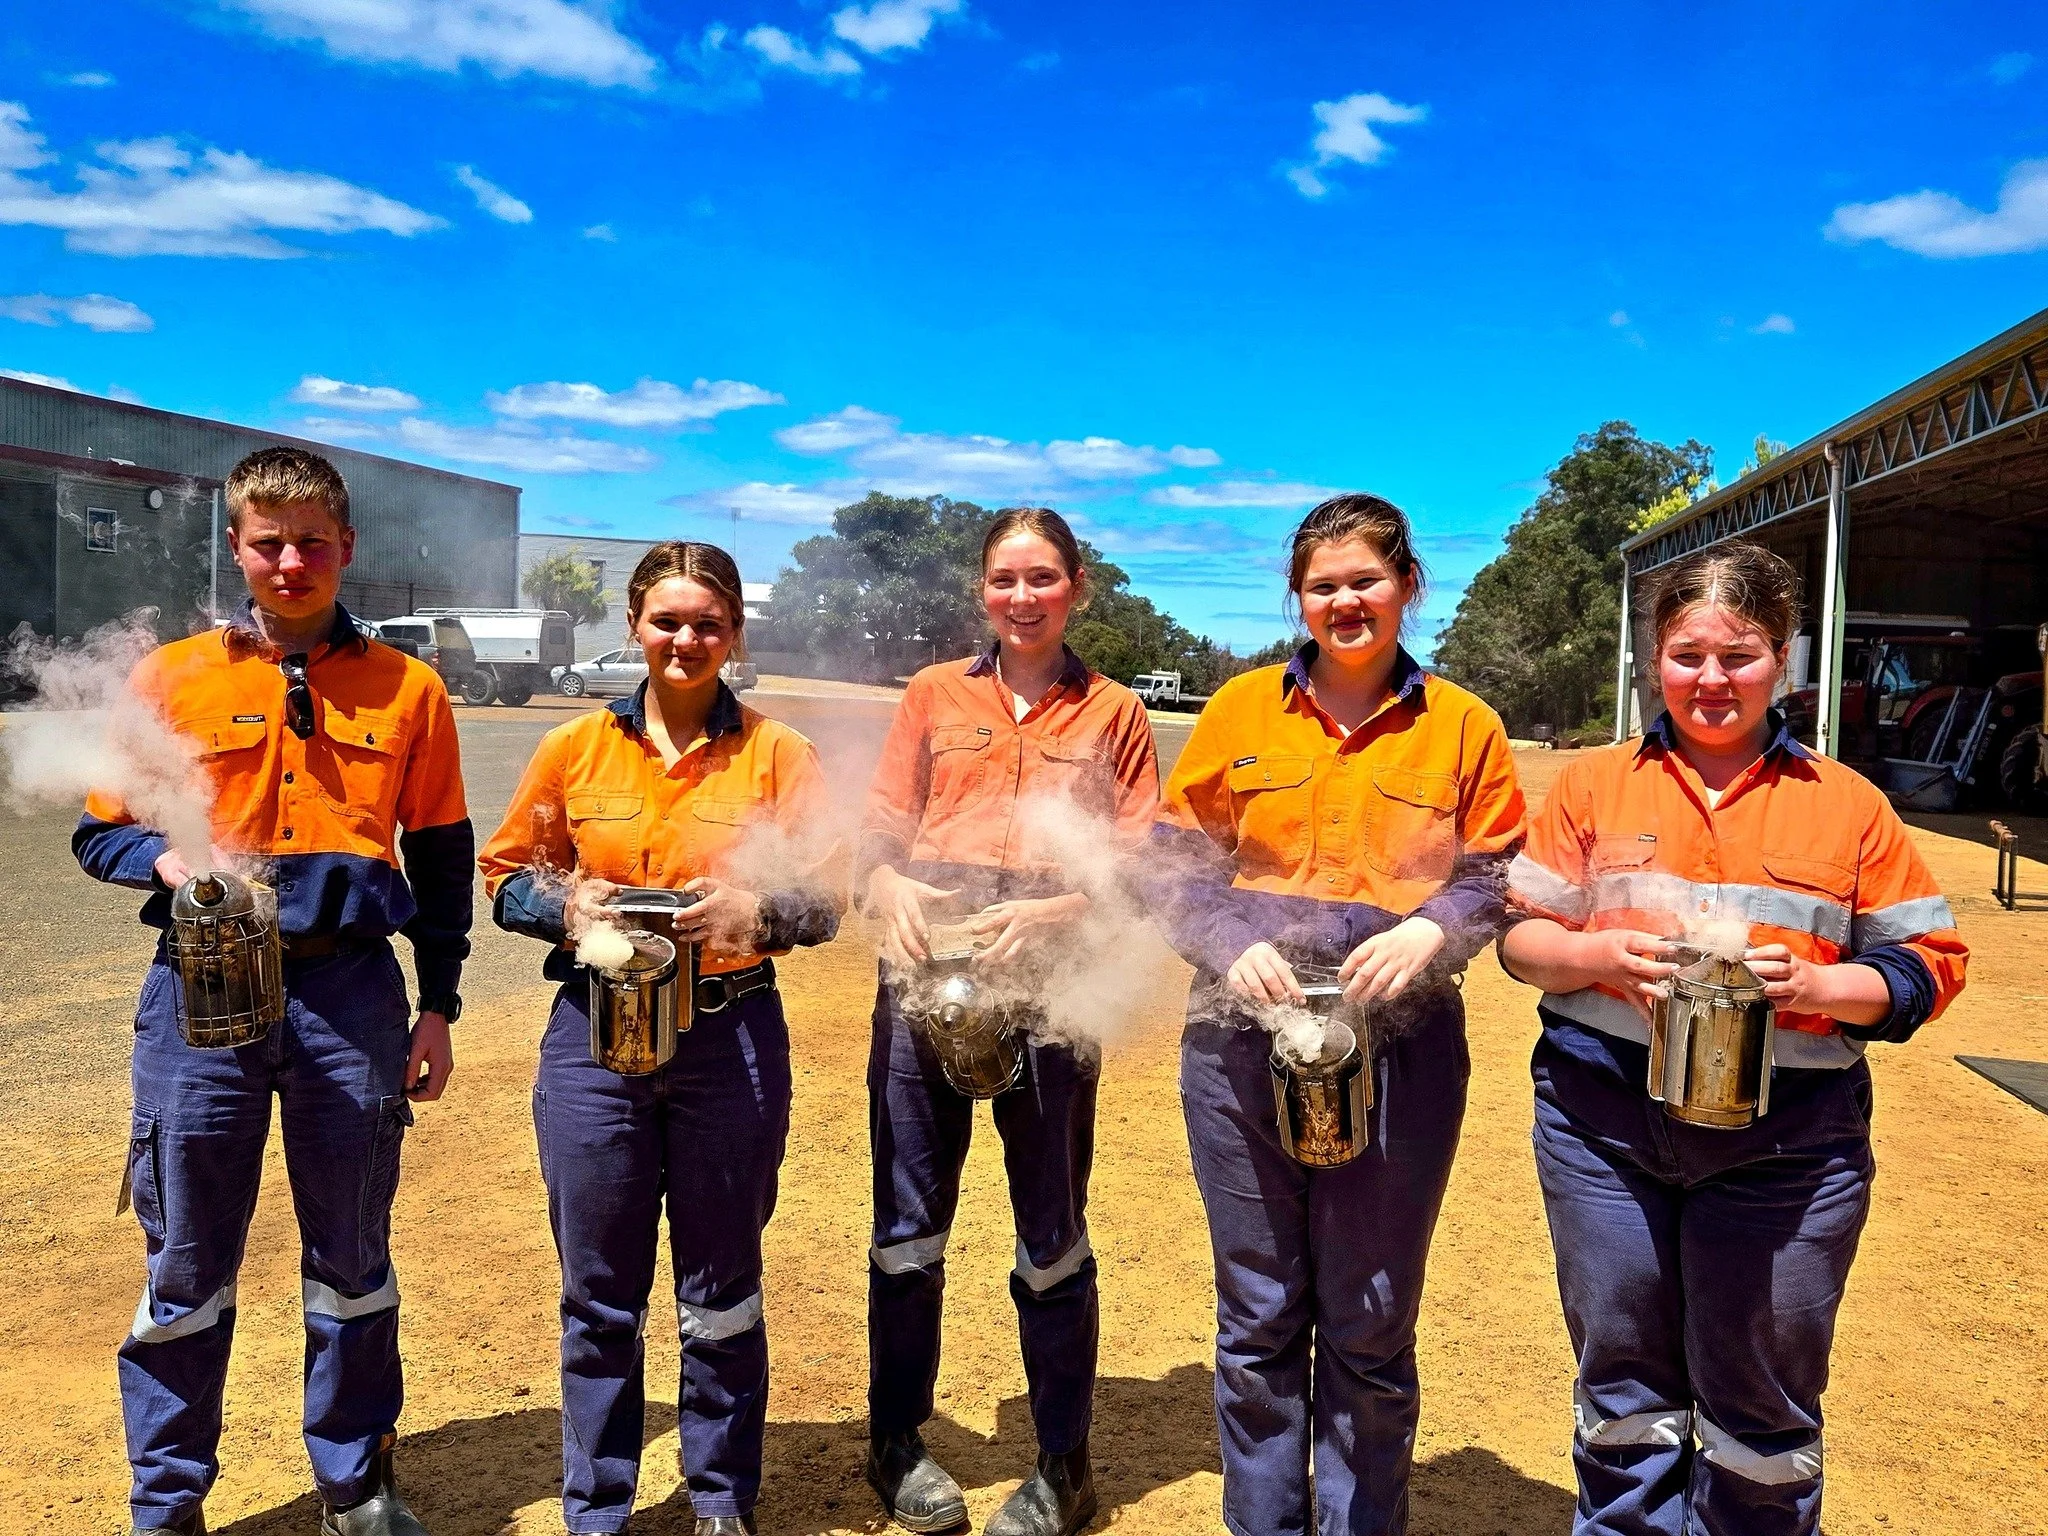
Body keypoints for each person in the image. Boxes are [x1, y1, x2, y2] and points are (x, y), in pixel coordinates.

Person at [1499, 542, 1969, 1536]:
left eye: (1739, 654)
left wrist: (1819, 983)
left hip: (1788, 1152)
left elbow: (1928, 961)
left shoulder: (1845, 805)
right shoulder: (1591, 788)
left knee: (1759, 1398)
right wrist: (1596, 957)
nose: (1710, 678)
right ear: (1652, 659)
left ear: (1784, 660)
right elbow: (1517, 936)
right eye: (1685, 654)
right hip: (1602, 1135)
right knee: (1622, 1379)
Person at [75, 447, 472, 1536]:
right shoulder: (172, 678)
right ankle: (167, 1501)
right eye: (268, 542)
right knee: (188, 1251)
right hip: (200, 998)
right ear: (239, 548)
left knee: (351, 1250)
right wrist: (158, 860)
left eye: (311, 541)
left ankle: (355, 1480)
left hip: (350, 996)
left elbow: (440, 861)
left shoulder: (409, 689)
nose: (290, 561)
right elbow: (97, 829)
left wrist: (437, 1003)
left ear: (346, 548)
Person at [1146, 493, 1526, 1536]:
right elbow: (1167, 866)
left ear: (1406, 585)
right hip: (1238, 1040)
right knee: (1259, 1312)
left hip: (1400, 1047)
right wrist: (1227, 939)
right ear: (1297, 599)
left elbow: (1494, 873)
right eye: (1322, 586)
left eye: (1364, 580)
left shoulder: (1462, 725)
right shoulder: (1236, 713)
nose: (1344, 601)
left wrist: (1433, 927)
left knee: (1365, 1319)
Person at [479, 541, 841, 1536]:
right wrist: (565, 902)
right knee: (598, 1289)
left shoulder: (779, 756)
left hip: (728, 1041)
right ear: (634, 625)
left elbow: (826, 900)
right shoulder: (574, 751)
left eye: (707, 624)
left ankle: (720, 1499)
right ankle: (597, 1505)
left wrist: (755, 911)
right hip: (595, 1041)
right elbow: (505, 876)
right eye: (666, 621)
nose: (686, 641)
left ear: (733, 634)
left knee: (721, 1286)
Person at [859, 507, 1159, 1536]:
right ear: (981, 591)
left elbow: (1137, 860)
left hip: (1052, 992)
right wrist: (887, 880)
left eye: (1040, 577)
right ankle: (894, 1445)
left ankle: (1061, 1466)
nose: (1021, 596)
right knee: (906, 1231)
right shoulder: (932, 695)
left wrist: (1061, 908)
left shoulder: (1113, 711)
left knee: (1051, 1234)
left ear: (1075, 586)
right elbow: (876, 831)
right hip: (923, 981)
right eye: (1002, 579)